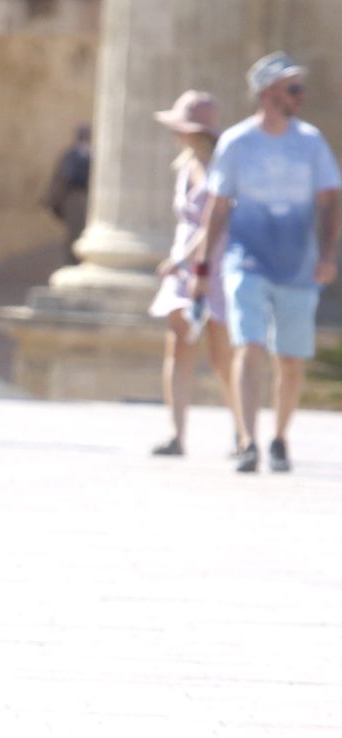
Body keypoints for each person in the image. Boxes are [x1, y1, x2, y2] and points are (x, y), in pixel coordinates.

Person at [196, 52, 341, 474]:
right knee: (250, 346)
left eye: (300, 88)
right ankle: (246, 440)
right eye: (292, 89)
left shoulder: (312, 142)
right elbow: (218, 207)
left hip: (298, 265)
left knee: (290, 359)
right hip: (247, 261)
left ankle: (279, 438)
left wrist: (328, 255)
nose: (300, 96)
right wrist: (203, 269)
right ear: (267, 94)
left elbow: (330, 201)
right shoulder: (237, 143)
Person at [147, 91, 241, 457]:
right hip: (183, 266)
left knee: (221, 355)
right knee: (177, 349)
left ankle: (241, 429)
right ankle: (177, 434)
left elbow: (212, 223)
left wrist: (183, 261)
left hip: (212, 265)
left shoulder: (221, 170)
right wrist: (179, 261)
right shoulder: (185, 166)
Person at [45, 124, 92, 266]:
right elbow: (69, 176)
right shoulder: (73, 154)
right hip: (75, 198)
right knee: (75, 233)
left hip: (85, 199)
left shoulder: (89, 153)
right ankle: (72, 262)